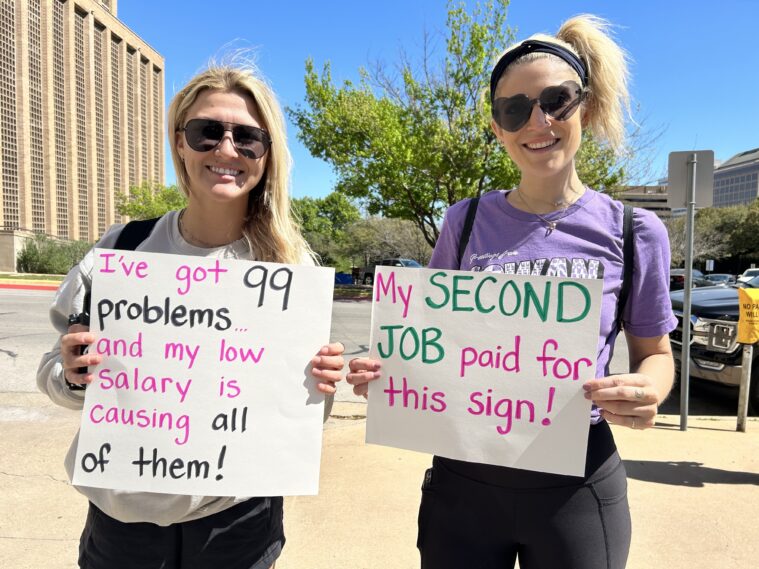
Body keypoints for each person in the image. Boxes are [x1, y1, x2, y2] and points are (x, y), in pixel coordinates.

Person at [347, 14, 676, 569]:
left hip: (578, 483)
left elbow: (656, 356)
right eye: (514, 109)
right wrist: (385, 372)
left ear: (586, 109)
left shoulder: (635, 230)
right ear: (498, 127)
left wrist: (646, 392)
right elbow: (427, 341)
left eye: (557, 100)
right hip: (462, 481)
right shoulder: (465, 220)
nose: (538, 120)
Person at [37, 61, 344, 569]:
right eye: (207, 132)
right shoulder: (124, 249)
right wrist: (71, 374)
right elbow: (53, 376)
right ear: (180, 143)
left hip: (237, 526)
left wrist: (322, 387)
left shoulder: (287, 269)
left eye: (248, 138)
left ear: (266, 156)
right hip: (121, 527)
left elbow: (303, 415)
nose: (227, 150)